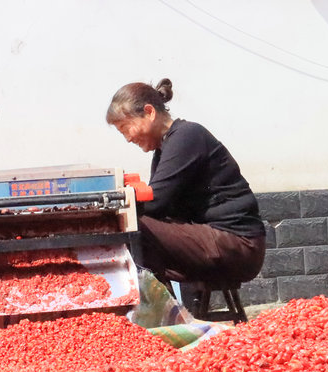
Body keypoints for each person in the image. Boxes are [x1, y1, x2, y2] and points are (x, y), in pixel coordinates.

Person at [106, 78, 266, 286]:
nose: (128, 138)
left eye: (126, 128)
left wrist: (116, 206)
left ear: (149, 112)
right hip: (219, 241)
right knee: (135, 230)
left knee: (135, 226)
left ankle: (160, 314)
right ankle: (163, 311)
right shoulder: (164, 148)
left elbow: (156, 203)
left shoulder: (187, 136)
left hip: (238, 244)